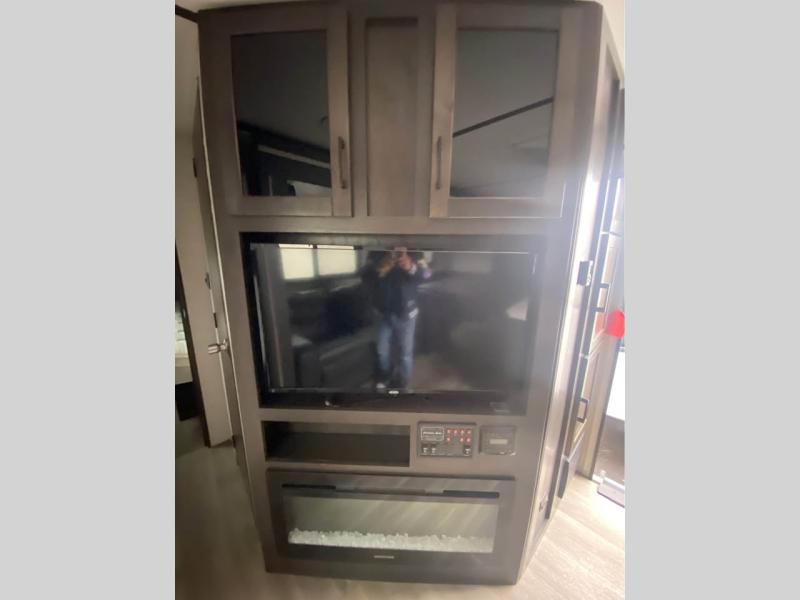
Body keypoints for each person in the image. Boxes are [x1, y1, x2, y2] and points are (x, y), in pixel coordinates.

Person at [366, 248, 432, 389]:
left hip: (407, 314)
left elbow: (427, 274)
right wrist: (383, 266)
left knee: (405, 353)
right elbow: (367, 276)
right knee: (381, 350)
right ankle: (385, 375)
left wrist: (410, 266)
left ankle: (403, 382)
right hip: (384, 313)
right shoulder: (377, 251)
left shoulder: (415, 251)